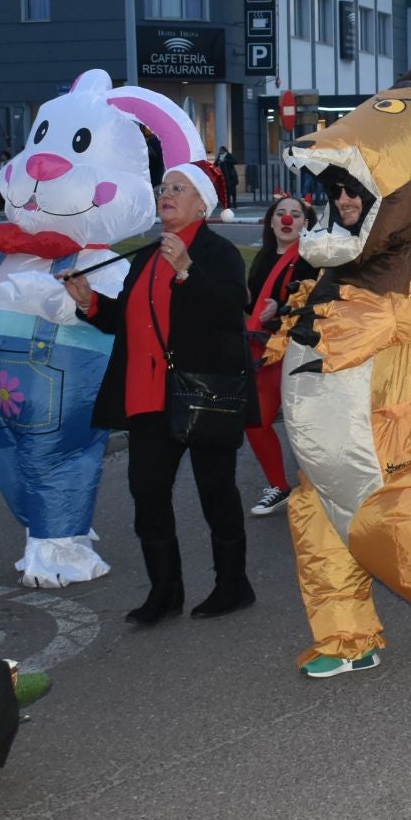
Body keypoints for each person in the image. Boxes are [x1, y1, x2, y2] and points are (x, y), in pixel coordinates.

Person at [64, 159, 256, 624]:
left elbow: (231, 312)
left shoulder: (217, 253)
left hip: (203, 392)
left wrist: (188, 270)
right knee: (147, 494)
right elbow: (131, 322)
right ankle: (164, 591)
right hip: (148, 394)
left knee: (216, 492)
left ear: (201, 203)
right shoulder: (148, 255)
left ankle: (233, 585)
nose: (165, 194)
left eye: (178, 188)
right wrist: (91, 304)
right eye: (163, 187)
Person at [245, 193, 318, 516]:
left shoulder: (309, 259)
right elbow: (252, 305)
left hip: (294, 350)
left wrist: (283, 308)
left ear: (305, 224)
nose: (287, 219)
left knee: (306, 426)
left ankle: (324, 489)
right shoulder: (262, 258)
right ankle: (279, 484)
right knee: (255, 421)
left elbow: (316, 300)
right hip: (262, 349)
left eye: (295, 214)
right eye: (281, 213)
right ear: (272, 220)